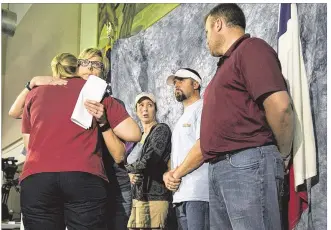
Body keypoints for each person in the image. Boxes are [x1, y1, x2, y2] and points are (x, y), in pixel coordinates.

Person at [198, 3, 294, 230]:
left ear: (218, 24)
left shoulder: (251, 49)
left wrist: (283, 154)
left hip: (247, 163)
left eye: (206, 32)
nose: (206, 39)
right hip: (221, 169)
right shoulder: (224, 67)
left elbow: (280, 107)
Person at [20, 52, 141, 230]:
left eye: (97, 65)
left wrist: (31, 84)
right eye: (85, 63)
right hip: (84, 175)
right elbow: (134, 133)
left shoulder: (35, 94)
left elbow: (27, 142)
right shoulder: (98, 96)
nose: (90, 68)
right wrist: (103, 121)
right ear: (76, 66)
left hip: (38, 177)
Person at [163, 68, 209, 230]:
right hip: (181, 196)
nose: (176, 85)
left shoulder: (203, 108)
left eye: (181, 80)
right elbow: (179, 155)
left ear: (195, 84)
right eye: (175, 82)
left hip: (199, 193)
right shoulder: (184, 116)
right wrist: (168, 174)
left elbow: (202, 147)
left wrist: (176, 174)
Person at [125, 92, 172, 230]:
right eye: (141, 105)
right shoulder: (136, 137)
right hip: (137, 198)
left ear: (155, 109)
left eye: (149, 105)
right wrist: (129, 174)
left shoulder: (161, 130)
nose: (144, 109)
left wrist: (125, 170)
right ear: (136, 110)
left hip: (155, 198)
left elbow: (148, 161)